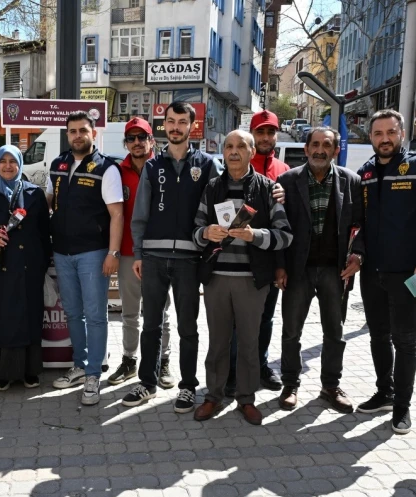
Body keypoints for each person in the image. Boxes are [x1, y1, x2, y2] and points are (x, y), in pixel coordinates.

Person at [125, 101, 224, 412]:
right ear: (163, 125)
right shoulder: (153, 166)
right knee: (151, 323)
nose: (176, 127)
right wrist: (139, 253)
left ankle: (188, 386)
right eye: (170, 121)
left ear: (192, 126)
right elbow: (139, 215)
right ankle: (147, 383)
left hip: (188, 260)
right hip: (152, 258)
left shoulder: (208, 164)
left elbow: (226, 198)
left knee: (188, 328)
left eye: (182, 122)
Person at [355, 110, 416, 434]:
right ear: (371, 137)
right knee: (378, 335)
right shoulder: (365, 173)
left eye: (390, 132)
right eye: (378, 133)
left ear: (402, 133)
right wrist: (357, 253)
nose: (384, 139)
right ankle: (385, 391)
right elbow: (362, 224)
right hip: (373, 274)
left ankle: (401, 407)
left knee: (405, 339)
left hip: (407, 274)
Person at [192, 130, 292, 425]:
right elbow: (195, 230)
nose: (233, 152)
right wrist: (205, 233)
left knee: (249, 343)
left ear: (251, 152)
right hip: (217, 278)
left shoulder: (267, 188)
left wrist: (254, 235)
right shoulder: (212, 187)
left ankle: (246, 399)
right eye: (228, 146)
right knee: (218, 343)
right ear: (222, 152)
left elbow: (285, 235)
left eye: (240, 147)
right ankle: (213, 396)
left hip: (252, 280)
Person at [274, 127, 365, 413]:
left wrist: (358, 256)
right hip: (297, 269)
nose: (320, 150)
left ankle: (330, 386)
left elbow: (364, 224)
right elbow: (277, 225)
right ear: (306, 148)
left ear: (336, 150)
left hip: (334, 271)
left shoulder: (352, 182)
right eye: (315, 144)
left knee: (334, 333)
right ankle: (290, 383)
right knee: (291, 331)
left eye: (327, 145)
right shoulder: (287, 181)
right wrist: (279, 265)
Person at [45, 111, 124, 406]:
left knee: (95, 315)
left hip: (93, 253)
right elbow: (50, 201)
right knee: (72, 313)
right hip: (62, 251)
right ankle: (79, 365)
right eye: (72, 131)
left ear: (93, 133)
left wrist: (112, 253)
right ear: (67, 135)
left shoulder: (106, 168)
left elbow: (117, 214)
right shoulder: (58, 164)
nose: (77, 135)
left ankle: (94, 375)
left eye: (82, 130)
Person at [0, 145, 51, 391]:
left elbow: (43, 231)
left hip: (29, 269)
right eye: (2, 161)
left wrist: (42, 262)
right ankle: (1, 374)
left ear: (20, 165)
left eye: (13, 161)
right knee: (1, 319)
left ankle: (30, 371)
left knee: (28, 318)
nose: (7, 166)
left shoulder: (34, 194)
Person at [107, 117, 173, 388]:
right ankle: (129, 360)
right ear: (126, 143)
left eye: (141, 137)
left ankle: (163, 361)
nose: (136, 143)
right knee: (130, 312)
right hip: (127, 253)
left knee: (161, 312)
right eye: (131, 138)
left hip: (159, 253)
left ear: (151, 141)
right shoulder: (115, 171)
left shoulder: (165, 167)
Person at [246, 109, 291, 392]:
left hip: (270, 258)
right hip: (238, 258)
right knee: (238, 320)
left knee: (265, 318)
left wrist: (281, 264)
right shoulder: (236, 163)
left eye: (269, 132)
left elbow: (289, 224)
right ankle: (234, 368)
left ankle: (261, 366)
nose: (265, 137)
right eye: (260, 131)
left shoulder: (285, 172)